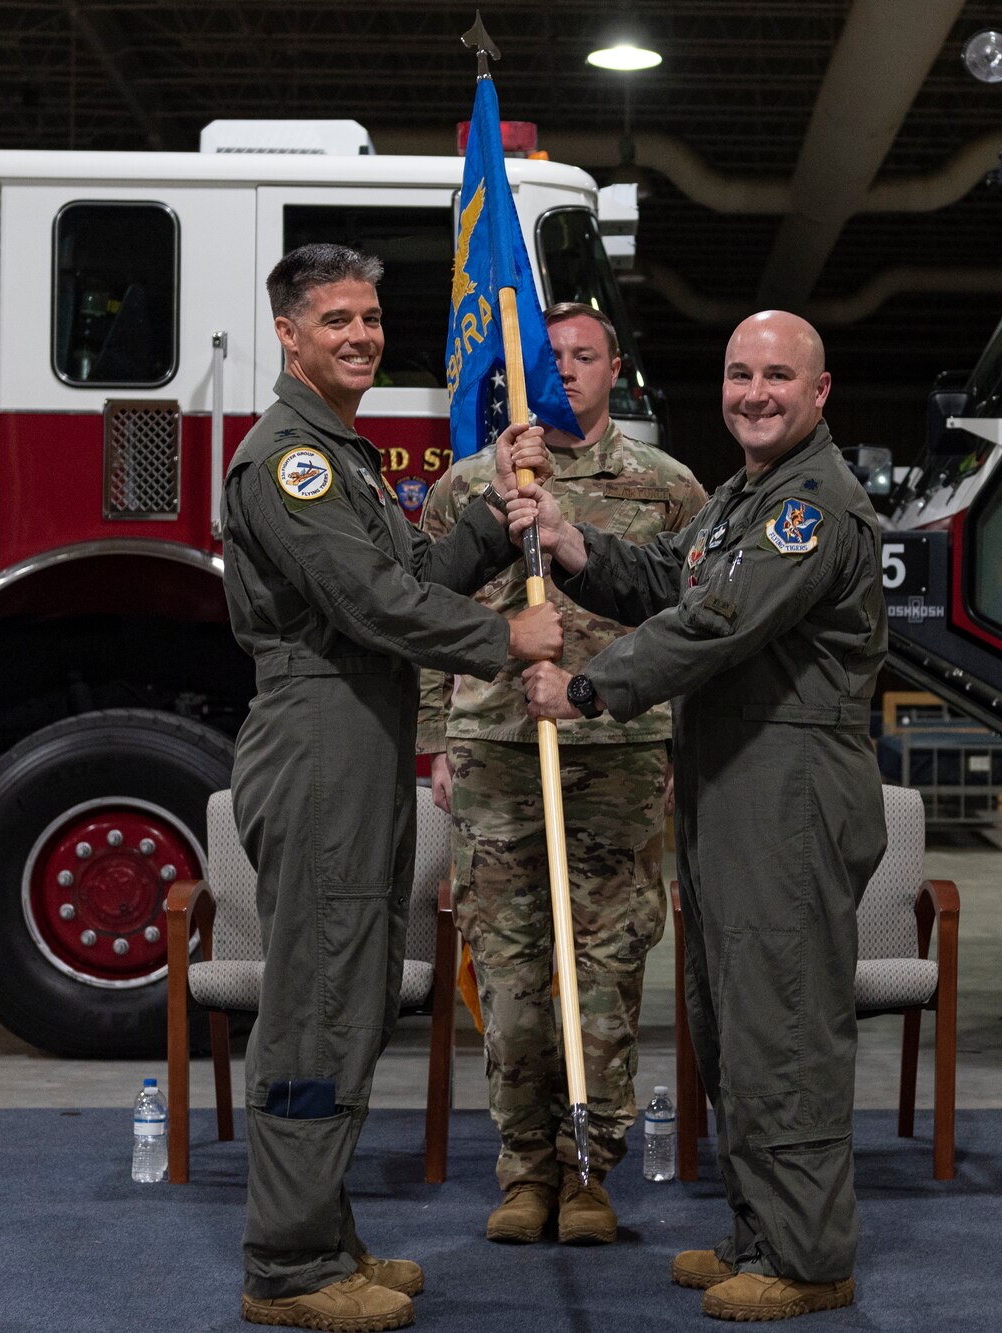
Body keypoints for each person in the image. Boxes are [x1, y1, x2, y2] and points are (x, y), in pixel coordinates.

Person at [519, 310, 885, 1323]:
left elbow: (714, 621)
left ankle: (809, 1255)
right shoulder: (744, 495)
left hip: (791, 785)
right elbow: (675, 576)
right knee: (728, 1022)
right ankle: (760, 1227)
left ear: (819, 392)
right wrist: (573, 543)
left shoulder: (810, 505)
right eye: (737, 374)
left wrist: (587, 691)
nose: (753, 393)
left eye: (776, 375)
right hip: (731, 779)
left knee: (784, 1025)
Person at [224, 242, 563, 1332]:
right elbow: (372, 603)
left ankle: (324, 1231)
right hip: (319, 728)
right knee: (317, 999)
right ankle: (285, 1264)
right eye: (335, 320)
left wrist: (488, 510)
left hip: (360, 732)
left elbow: (406, 579)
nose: (360, 336)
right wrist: (509, 638)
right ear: (286, 332)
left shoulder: (345, 454)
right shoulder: (292, 459)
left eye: (369, 318)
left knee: (357, 987)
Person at [416, 301, 707, 1245]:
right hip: (497, 755)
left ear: (615, 368)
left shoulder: (665, 488)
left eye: (585, 357)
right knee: (507, 976)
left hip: (619, 760)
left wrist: (675, 746)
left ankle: (589, 1170)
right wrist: (439, 744)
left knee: (605, 976)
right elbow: (419, 615)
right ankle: (524, 1169)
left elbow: (696, 626)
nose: (567, 372)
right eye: (552, 358)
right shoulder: (469, 488)